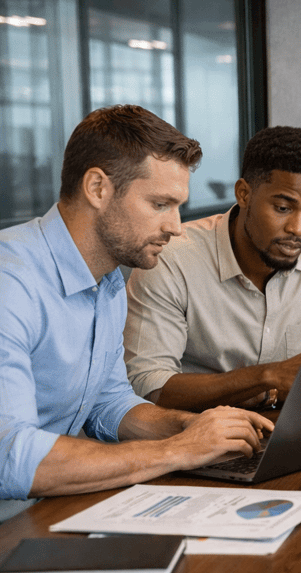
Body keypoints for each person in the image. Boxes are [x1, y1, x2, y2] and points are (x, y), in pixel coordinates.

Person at [0, 105, 272, 500]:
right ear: (97, 188)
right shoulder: (11, 283)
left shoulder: (107, 279)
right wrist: (175, 451)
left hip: (53, 504)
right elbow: (11, 458)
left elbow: (108, 403)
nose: (176, 227)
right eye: (160, 204)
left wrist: (193, 427)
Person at [124, 126, 301, 412]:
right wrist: (267, 377)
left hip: (291, 429)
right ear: (244, 194)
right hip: (195, 436)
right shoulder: (171, 259)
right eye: (282, 208)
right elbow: (147, 384)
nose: (299, 229)